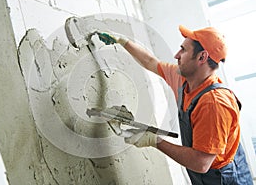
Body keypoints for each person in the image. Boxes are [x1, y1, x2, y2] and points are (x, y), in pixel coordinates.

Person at [98, 26, 253, 185]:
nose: (176, 55)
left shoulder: (214, 103)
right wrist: (122, 42)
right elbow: (151, 62)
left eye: (183, 50)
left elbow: (201, 163)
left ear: (202, 57)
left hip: (224, 179)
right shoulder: (184, 80)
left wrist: (154, 140)